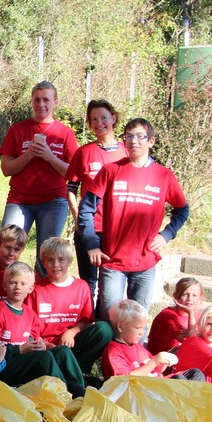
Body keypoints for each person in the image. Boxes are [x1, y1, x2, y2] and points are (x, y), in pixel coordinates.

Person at [79, 118, 190, 321]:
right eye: (128, 136)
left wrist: (167, 234)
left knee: (138, 323)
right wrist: (92, 243)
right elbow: (86, 209)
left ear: (151, 141)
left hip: (145, 262)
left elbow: (182, 210)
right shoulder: (111, 171)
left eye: (139, 136)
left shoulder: (163, 176)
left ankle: (136, 354)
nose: (133, 141)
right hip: (112, 262)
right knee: (109, 319)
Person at [0, 81, 79, 276]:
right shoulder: (18, 130)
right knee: (6, 248)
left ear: (55, 102)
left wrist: (49, 156)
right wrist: (29, 155)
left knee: (48, 255)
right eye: (37, 100)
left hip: (53, 201)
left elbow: (74, 173)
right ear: (32, 102)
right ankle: (1, 293)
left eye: (46, 100)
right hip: (20, 200)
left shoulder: (65, 134)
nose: (41, 104)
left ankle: (41, 298)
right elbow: (6, 169)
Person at [0, 261, 86, 398]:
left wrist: (39, 344)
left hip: (26, 360)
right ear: (4, 286)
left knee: (63, 351)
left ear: (31, 288)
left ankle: (81, 392)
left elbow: (32, 338)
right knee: (43, 357)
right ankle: (63, 397)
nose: (17, 287)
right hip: (3, 366)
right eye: (13, 283)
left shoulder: (30, 314)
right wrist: (20, 349)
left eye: (23, 284)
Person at [66, 100, 126, 300]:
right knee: (88, 283)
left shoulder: (127, 152)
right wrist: (78, 220)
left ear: (113, 118)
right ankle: (88, 326)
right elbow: (71, 189)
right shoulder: (84, 153)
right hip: (89, 227)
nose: (99, 123)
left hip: (116, 229)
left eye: (103, 118)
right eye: (94, 119)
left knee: (110, 284)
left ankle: (108, 325)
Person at [29, 237, 113, 376]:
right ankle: (68, 374)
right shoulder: (36, 289)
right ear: (43, 263)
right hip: (47, 346)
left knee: (104, 329)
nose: (56, 264)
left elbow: (86, 321)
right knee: (55, 354)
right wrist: (44, 344)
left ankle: (76, 370)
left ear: (69, 262)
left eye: (61, 259)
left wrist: (72, 332)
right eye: (50, 260)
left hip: (72, 342)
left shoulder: (81, 287)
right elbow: (29, 324)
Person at [102, 299, 204, 381]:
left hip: (158, 382)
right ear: (121, 326)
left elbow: (154, 369)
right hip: (143, 391)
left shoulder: (137, 345)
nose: (142, 333)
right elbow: (123, 379)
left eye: (143, 328)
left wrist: (163, 362)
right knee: (179, 380)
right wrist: (155, 362)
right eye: (138, 328)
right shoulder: (114, 350)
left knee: (195, 373)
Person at [148, 276, 204, 356]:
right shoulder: (168, 315)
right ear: (175, 296)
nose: (190, 299)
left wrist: (195, 333)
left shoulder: (199, 315)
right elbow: (189, 342)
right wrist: (190, 313)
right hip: (164, 361)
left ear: (200, 298)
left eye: (194, 295)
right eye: (185, 294)